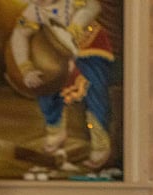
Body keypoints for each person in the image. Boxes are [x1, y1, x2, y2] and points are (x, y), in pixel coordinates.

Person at [9, 0, 115, 169]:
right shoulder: (33, 11)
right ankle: (55, 130)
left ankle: (100, 141)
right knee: (46, 85)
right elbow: (19, 35)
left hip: (90, 48)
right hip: (58, 55)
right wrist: (26, 68)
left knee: (94, 90)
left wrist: (76, 24)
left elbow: (94, 6)